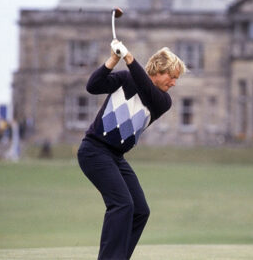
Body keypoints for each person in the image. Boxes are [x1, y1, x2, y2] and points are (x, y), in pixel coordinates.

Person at [77, 40, 186, 259]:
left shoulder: (162, 101)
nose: (174, 82)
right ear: (157, 70)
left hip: (115, 157)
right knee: (122, 204)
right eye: (171, 76)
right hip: (94, 151)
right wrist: (113, 60)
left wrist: (129, 58)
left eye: (176, 78)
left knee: (140, 210)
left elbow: (145, 88)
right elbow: (93, 86)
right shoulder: (124, 79)